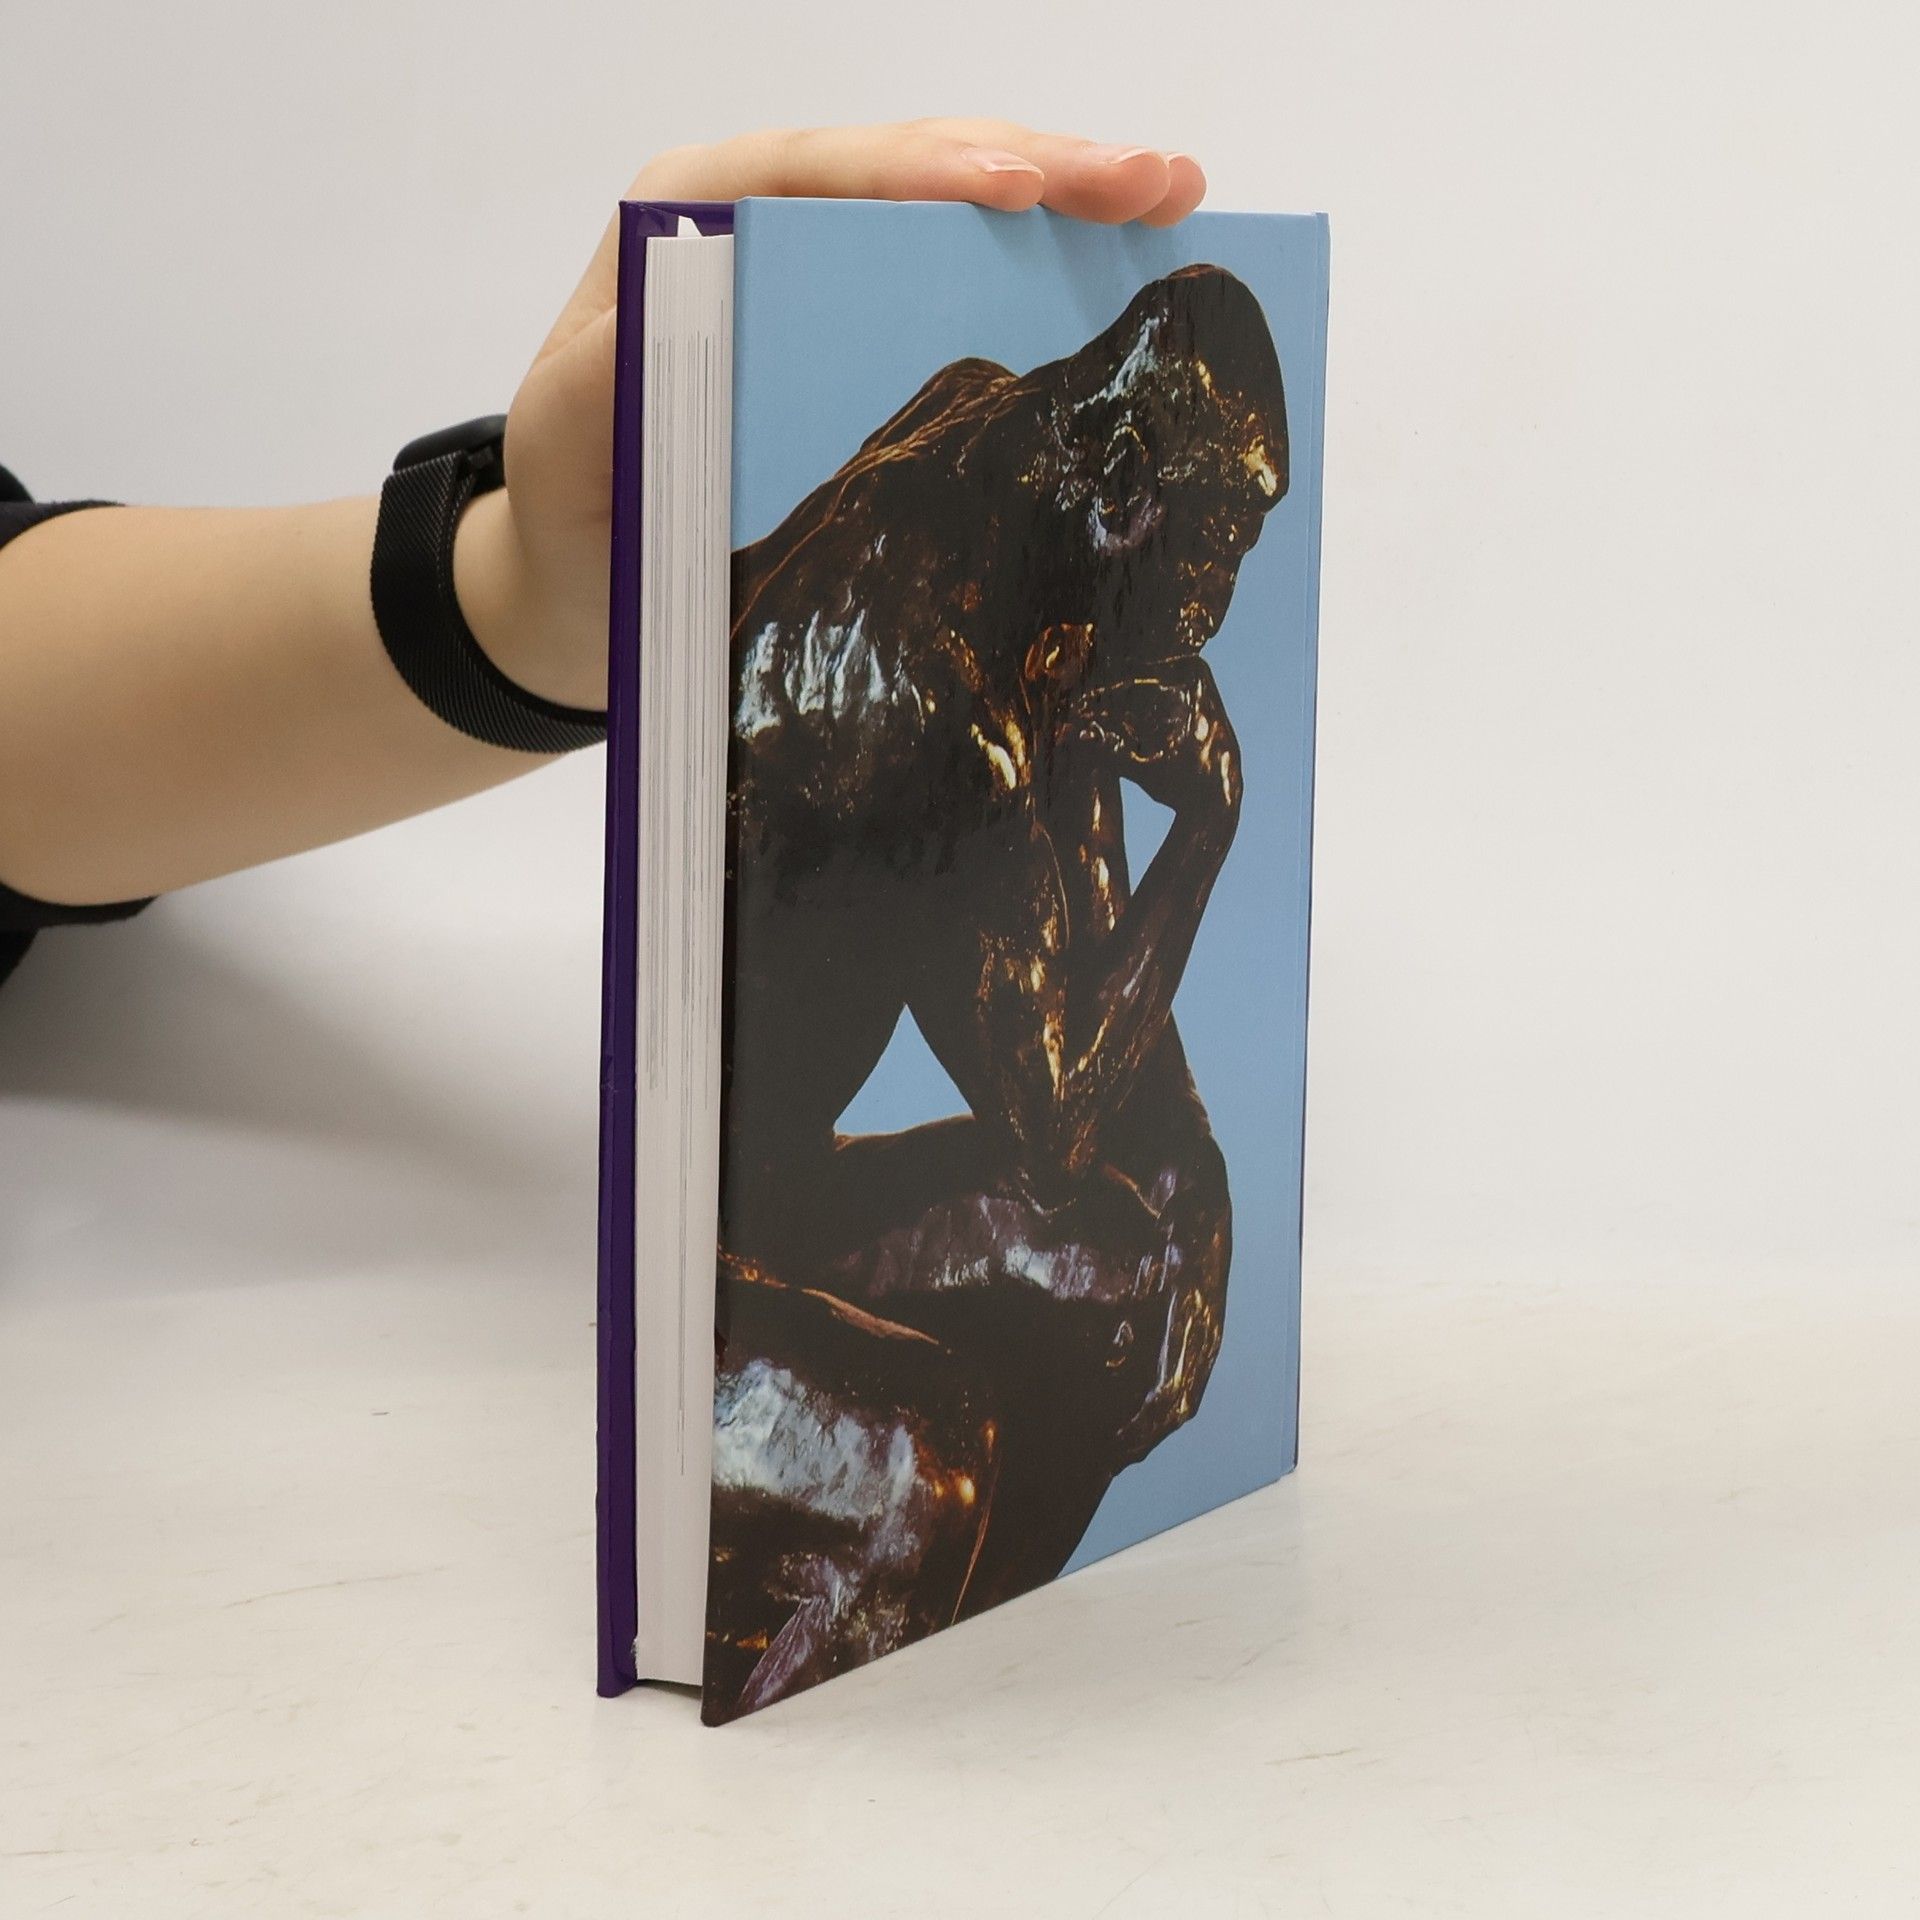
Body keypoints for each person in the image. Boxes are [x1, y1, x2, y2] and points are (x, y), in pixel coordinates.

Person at [0, 121, 1205, 990]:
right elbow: (1056, 1126)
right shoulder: (970, 691)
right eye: (1220, 529)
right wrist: (1205, 830)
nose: (1216, 583)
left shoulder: (977, 482)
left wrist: (527, 605)